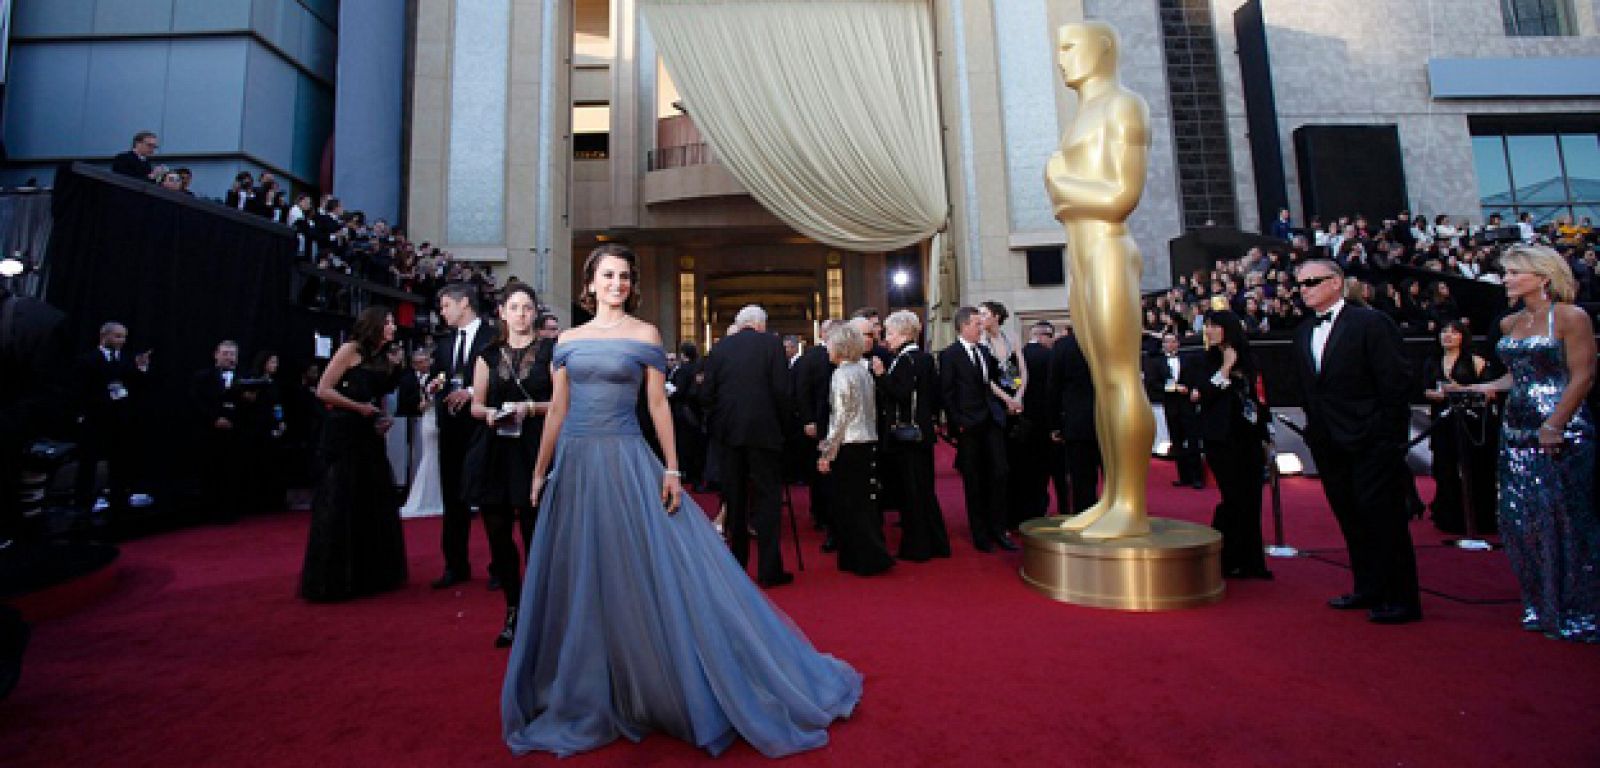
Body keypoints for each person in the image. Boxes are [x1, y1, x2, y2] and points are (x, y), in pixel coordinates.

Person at [503, 244, 860, 757]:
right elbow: (558, 411)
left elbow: (656, 405)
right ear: (590, 283)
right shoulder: (567, 340)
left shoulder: (645, 334)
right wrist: (541, 471)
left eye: (624, 276)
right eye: (607, 275)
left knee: (641, 569)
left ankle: (649, 684)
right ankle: (589, 683)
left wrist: (672, 468)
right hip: (576, 466)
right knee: (582, 572)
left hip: (627, 461)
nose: (617, 284)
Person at [1045, 21, 1156, 539]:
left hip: (1109, 249)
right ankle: (1113, 496)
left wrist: (1059, 179)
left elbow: (1119, 196)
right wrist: (1066, 189)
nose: (1062, 56)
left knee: (1120, 377)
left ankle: (1131, 503)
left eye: (1071, 45)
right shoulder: (1084, 114)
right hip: (1082, 254)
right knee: (1101, 382)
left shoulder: (1123, 105)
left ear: (1104, 47)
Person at [1464, 245, 1596, 642]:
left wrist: (1555, 424)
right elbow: (1515, 378)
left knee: (1569, 521)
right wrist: (1478, 387)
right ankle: (1542, 603)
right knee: (1520, 519)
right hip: (1516, 432)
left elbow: (1582, 376)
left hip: (1563, 431)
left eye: (1514, 273)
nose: (1506, 280)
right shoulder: (1509, 324)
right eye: (1505, 273)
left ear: (1542, 277)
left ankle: (1580, 609)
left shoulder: (1571, 317)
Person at [1293, 258, 1422, 624]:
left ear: (1336, 282)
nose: (1304, 290)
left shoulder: (1371, 323)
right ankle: (1368, 588)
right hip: (1328, 442)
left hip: (1372, 442)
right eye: (1300, 284)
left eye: (1312, 282)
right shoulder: (1303, 332)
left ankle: (1402, 598)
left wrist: (1387, 437)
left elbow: (1395, 381)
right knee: (1350, 517)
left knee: (1384, 519)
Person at [465, 283, 554, 647]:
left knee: (537, 535)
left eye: (527, 308)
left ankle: (539, 613)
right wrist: (490, 415)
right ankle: (513, 610)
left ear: (535, 313)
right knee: (499, 536)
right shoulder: (487, 354)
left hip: (535, 448)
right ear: (502, 312)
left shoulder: (551, 350)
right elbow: (476, 404)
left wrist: (529, 409)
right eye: (514, 307)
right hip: (496, 451)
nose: (520, 314)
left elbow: (563, 403)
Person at [299, 307, 408, 602]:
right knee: (340, 500)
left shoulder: (381, 357)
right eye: (387, 322)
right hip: (343, 435)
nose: (393, 327)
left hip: (368, 437)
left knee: (370, 499)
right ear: (374, 324)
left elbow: (380, 396)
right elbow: (323, 389)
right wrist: (358, 408)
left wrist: (380, 418)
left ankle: (370, 574)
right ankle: (333, 578)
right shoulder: (350, 349)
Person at [698, 303, 795, 587]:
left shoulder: (720, 348)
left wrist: (718, 423)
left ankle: (737, 565)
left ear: (740, 324)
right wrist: (784, 428)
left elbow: (706, 394)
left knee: (735, 499)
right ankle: (769, 569)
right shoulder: (772, 345)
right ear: (761, 324)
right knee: (767, 500)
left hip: (728, 435)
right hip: (765, 434)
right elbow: (781, 390)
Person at [1194, 310, 1272, 580]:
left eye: (1214, 326)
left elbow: (1259, 397)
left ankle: (1252, 561)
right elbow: (1201, 394)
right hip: (1220, 439)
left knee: (1252, 499)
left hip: (1248, 437)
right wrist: (1225, 369)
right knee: (1233, 497)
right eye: (1207, 326)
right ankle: (1227, 559)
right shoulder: (1206, 360)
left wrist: (1265, 433)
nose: (1210, 331)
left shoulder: (1250, 359)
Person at [429, 283, 494, 588]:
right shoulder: (444, 343)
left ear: (464, 302)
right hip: (451, 429)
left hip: (483, 428)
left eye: (445, 306)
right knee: (452, 499)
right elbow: (440, 376)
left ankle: (499, 566)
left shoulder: (493, 336)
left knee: (491, 500)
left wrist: (470, 392)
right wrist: (433, 385)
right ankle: (455, 565)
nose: (442, 313)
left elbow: (501, 376)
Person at [816, 322, 893, 577]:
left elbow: (839, 418)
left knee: (849, 506)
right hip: (867, 441)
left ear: (840, 347)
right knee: (865, 504)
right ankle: (867, 555)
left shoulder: (841, 375)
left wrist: (828, 452)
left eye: (829, 343)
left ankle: (862, 559)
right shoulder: (863, 373)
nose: (826, 347)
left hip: (849, 446)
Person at [940, 306, 1018, 552]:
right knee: (973, 480)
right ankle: (981, 534)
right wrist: (957, 423)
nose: (981, 327)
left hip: (991, 421)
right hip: (968, 425)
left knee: (1000, 473)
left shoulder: (984, 351)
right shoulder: (949, 355)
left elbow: (990, 383)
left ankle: (999, 529)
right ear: (964, 327)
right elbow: (947, 393)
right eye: (976, 323)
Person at [878, 310, 948, 561]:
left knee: (913, 492)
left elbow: (901, 393)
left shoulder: (908, 360)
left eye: (891, 333)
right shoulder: (924, 358)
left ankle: (918, 547)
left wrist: (881, 376)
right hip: (922, 433)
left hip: (909, 436)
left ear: (906, 333)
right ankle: (935, 543)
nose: (887, 338)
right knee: (924, 490)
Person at [1421, 320, 1500, 535]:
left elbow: (1491, 391)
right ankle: (1449, 515)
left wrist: (1462, 389)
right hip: (1442, 422)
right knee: (1444, 467)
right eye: (1444, 332)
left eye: (1454, 332)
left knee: (1477, 468)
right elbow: (1423, 389)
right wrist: (1437, 394)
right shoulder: (1432, 361)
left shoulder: (1475, 361)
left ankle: (1481, 517)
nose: (1448, 336)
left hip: (1472, 423)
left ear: (1462, 337)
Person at [72, 322, 150, 520]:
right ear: (104, 336)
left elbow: (136, 388)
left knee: (120, 461)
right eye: (117, 336)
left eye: (123, 337)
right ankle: (83, 502)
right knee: (88, 462)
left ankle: (117, 498)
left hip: (120, 420)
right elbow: (80, 390)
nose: (121, 341)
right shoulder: (87, 360)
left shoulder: (126, 361)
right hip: (95, 418)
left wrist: (141, 369)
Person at [1048, 322, 1102, 514]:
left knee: (1081, 478)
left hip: (1077, 421)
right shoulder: (1106, 341)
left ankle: (1085, 515)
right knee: (1114, 476)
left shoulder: (1063, 346)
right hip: (1109, 419)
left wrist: (1055, 425)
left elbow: (1054, 388)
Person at [190, 340, 246, 522]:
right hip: (209, 433)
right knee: (209, 471)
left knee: (232, 472)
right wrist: (215, 418)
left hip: (235, 433)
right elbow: (196, 402)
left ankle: (230, 510)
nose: (230, 358)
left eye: (233, 354)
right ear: (216, 354)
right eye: (226, 353)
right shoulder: (202, 377)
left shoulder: (245, 378)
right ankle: (209, 510)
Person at [794, 320, 837, 542]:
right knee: (822, 470)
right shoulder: (810, 358)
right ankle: (822, 513)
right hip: (821, 423)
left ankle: (823, 513)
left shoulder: (810, 357)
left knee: (823, 471)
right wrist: (808, 419)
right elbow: (801, 390)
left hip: (828, 422)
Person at [398, 349, 445, 520]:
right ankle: (427, 497)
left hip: (434, 419)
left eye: (426, 360)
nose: (425, 364)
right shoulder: (409, 380)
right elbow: (409, 402)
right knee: (429, 455)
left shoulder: (437, 378)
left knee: (434, 456)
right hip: (426, 420)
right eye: (420, 362)